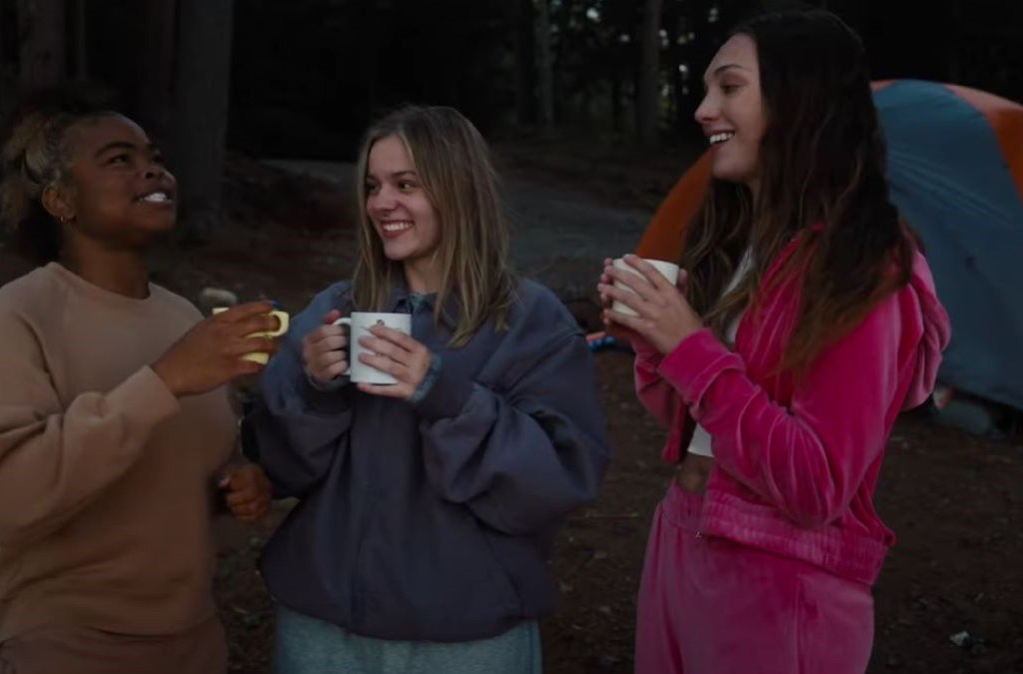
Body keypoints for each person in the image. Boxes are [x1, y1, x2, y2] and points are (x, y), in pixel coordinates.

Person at [598, 10, 951, 674]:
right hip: (681, 539)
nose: (704, 110)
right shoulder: (746, 244)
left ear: (799, 100)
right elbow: (695, 419)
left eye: (728, 87)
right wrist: (650, 335)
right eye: (706, 89)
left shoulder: (863, 270)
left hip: (778, 581)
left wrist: (690, 346)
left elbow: (817, 484)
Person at [250, 105, 611, 673]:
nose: (381, 203)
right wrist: (315, 390)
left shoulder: (529, 321)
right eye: (373, 186)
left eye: (406, 184)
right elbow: (275, 466)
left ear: (459, 190)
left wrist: (448, 397)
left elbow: (554, 484)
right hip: (325, 629)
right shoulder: (336, 308)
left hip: (466, 635)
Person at [0, 89, 278, 674]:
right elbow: (9, 499)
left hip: (192, 636)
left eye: (153, 156)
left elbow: (185, 467)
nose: (152, 168)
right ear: (60, 200)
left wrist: (234, 484)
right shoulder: (17, 316)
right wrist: (165, 379)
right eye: (118, 159)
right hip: (67, 640)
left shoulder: (181, 318)